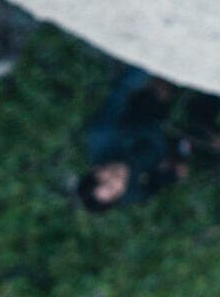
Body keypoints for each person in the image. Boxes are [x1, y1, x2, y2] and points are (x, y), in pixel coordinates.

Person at [76, 67, 186, 213]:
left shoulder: (103, 134)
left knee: (160, 89)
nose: (116, 180)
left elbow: (122, 90)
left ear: (96, 171)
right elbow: (150, 191)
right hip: (171, 142)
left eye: (106, 181)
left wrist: (150, 66)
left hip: (148, 104)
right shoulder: (131, 193)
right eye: (114, 190)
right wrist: (169, 173)